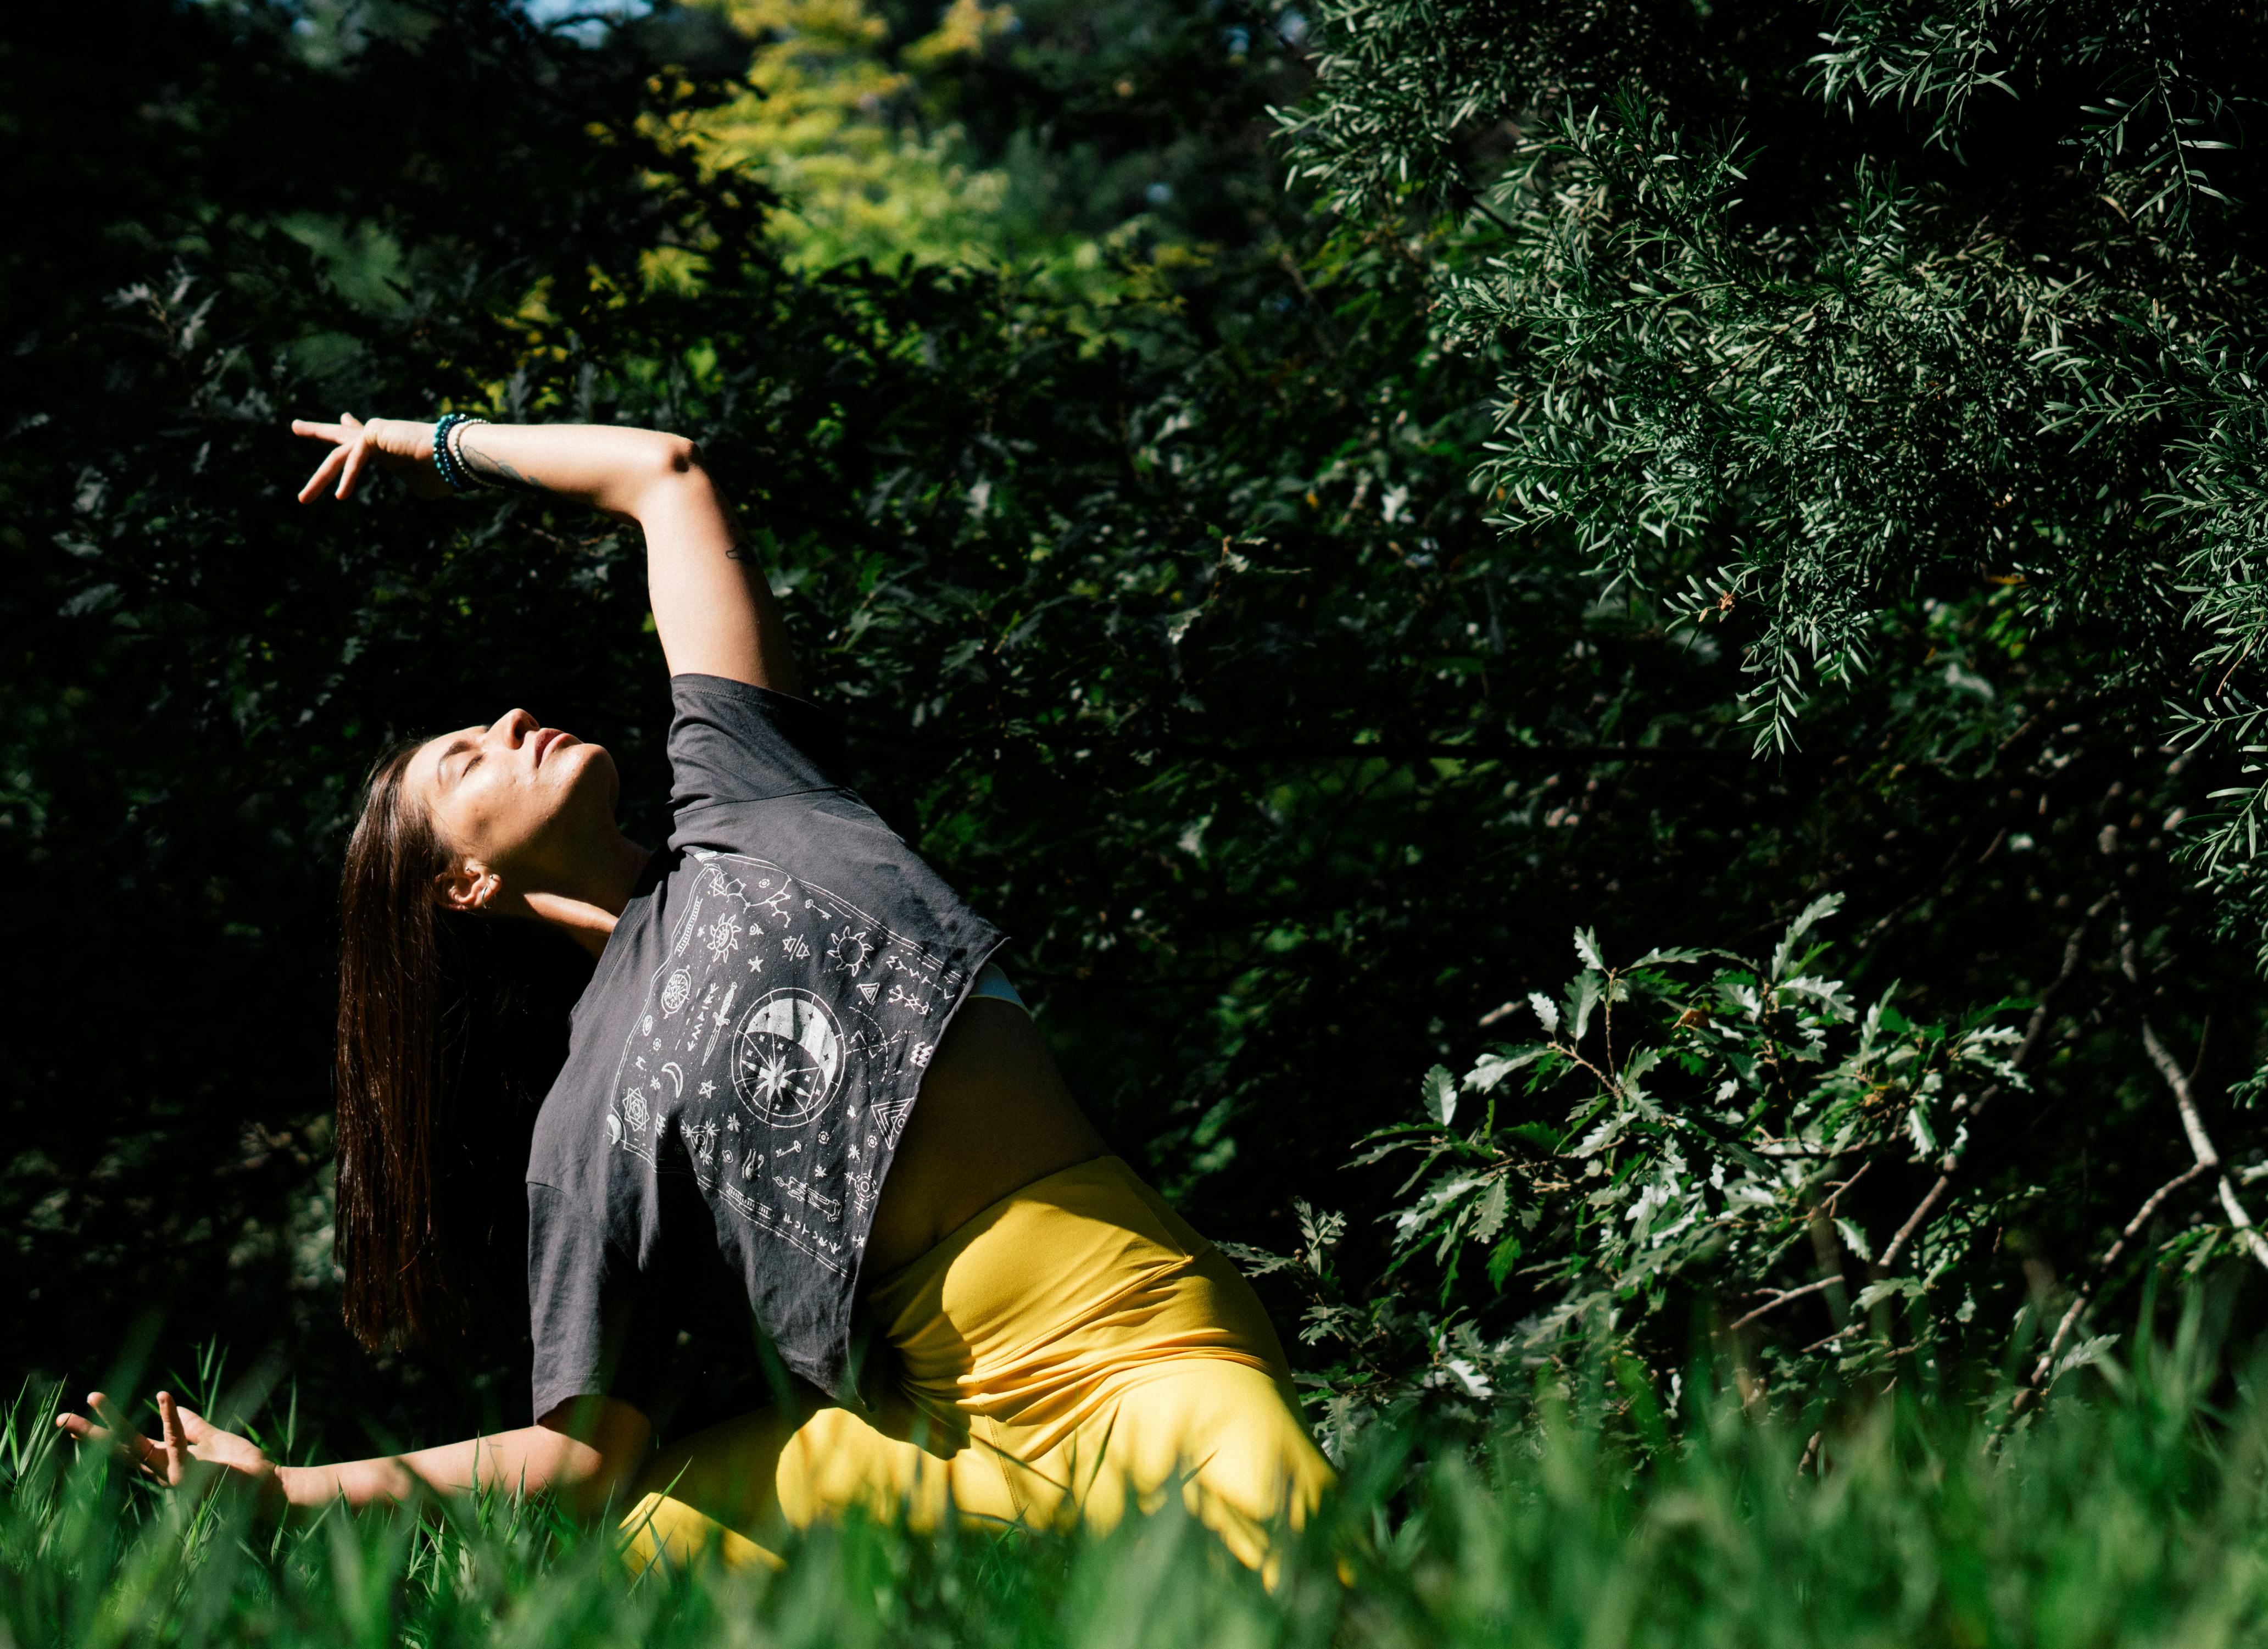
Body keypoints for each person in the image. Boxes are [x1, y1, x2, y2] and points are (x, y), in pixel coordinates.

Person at [56, 413, 1332, 1570]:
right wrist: (292, 1491)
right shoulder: (584, 1129)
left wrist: (424, 442)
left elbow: (662, 474)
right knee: (637, 1548)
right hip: (928, 1436)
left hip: (1127, 1335)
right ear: (459, 886)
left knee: (1315, 1582)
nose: (508, 717)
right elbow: (578, 1457)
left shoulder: (748, 793)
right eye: (467, 757)